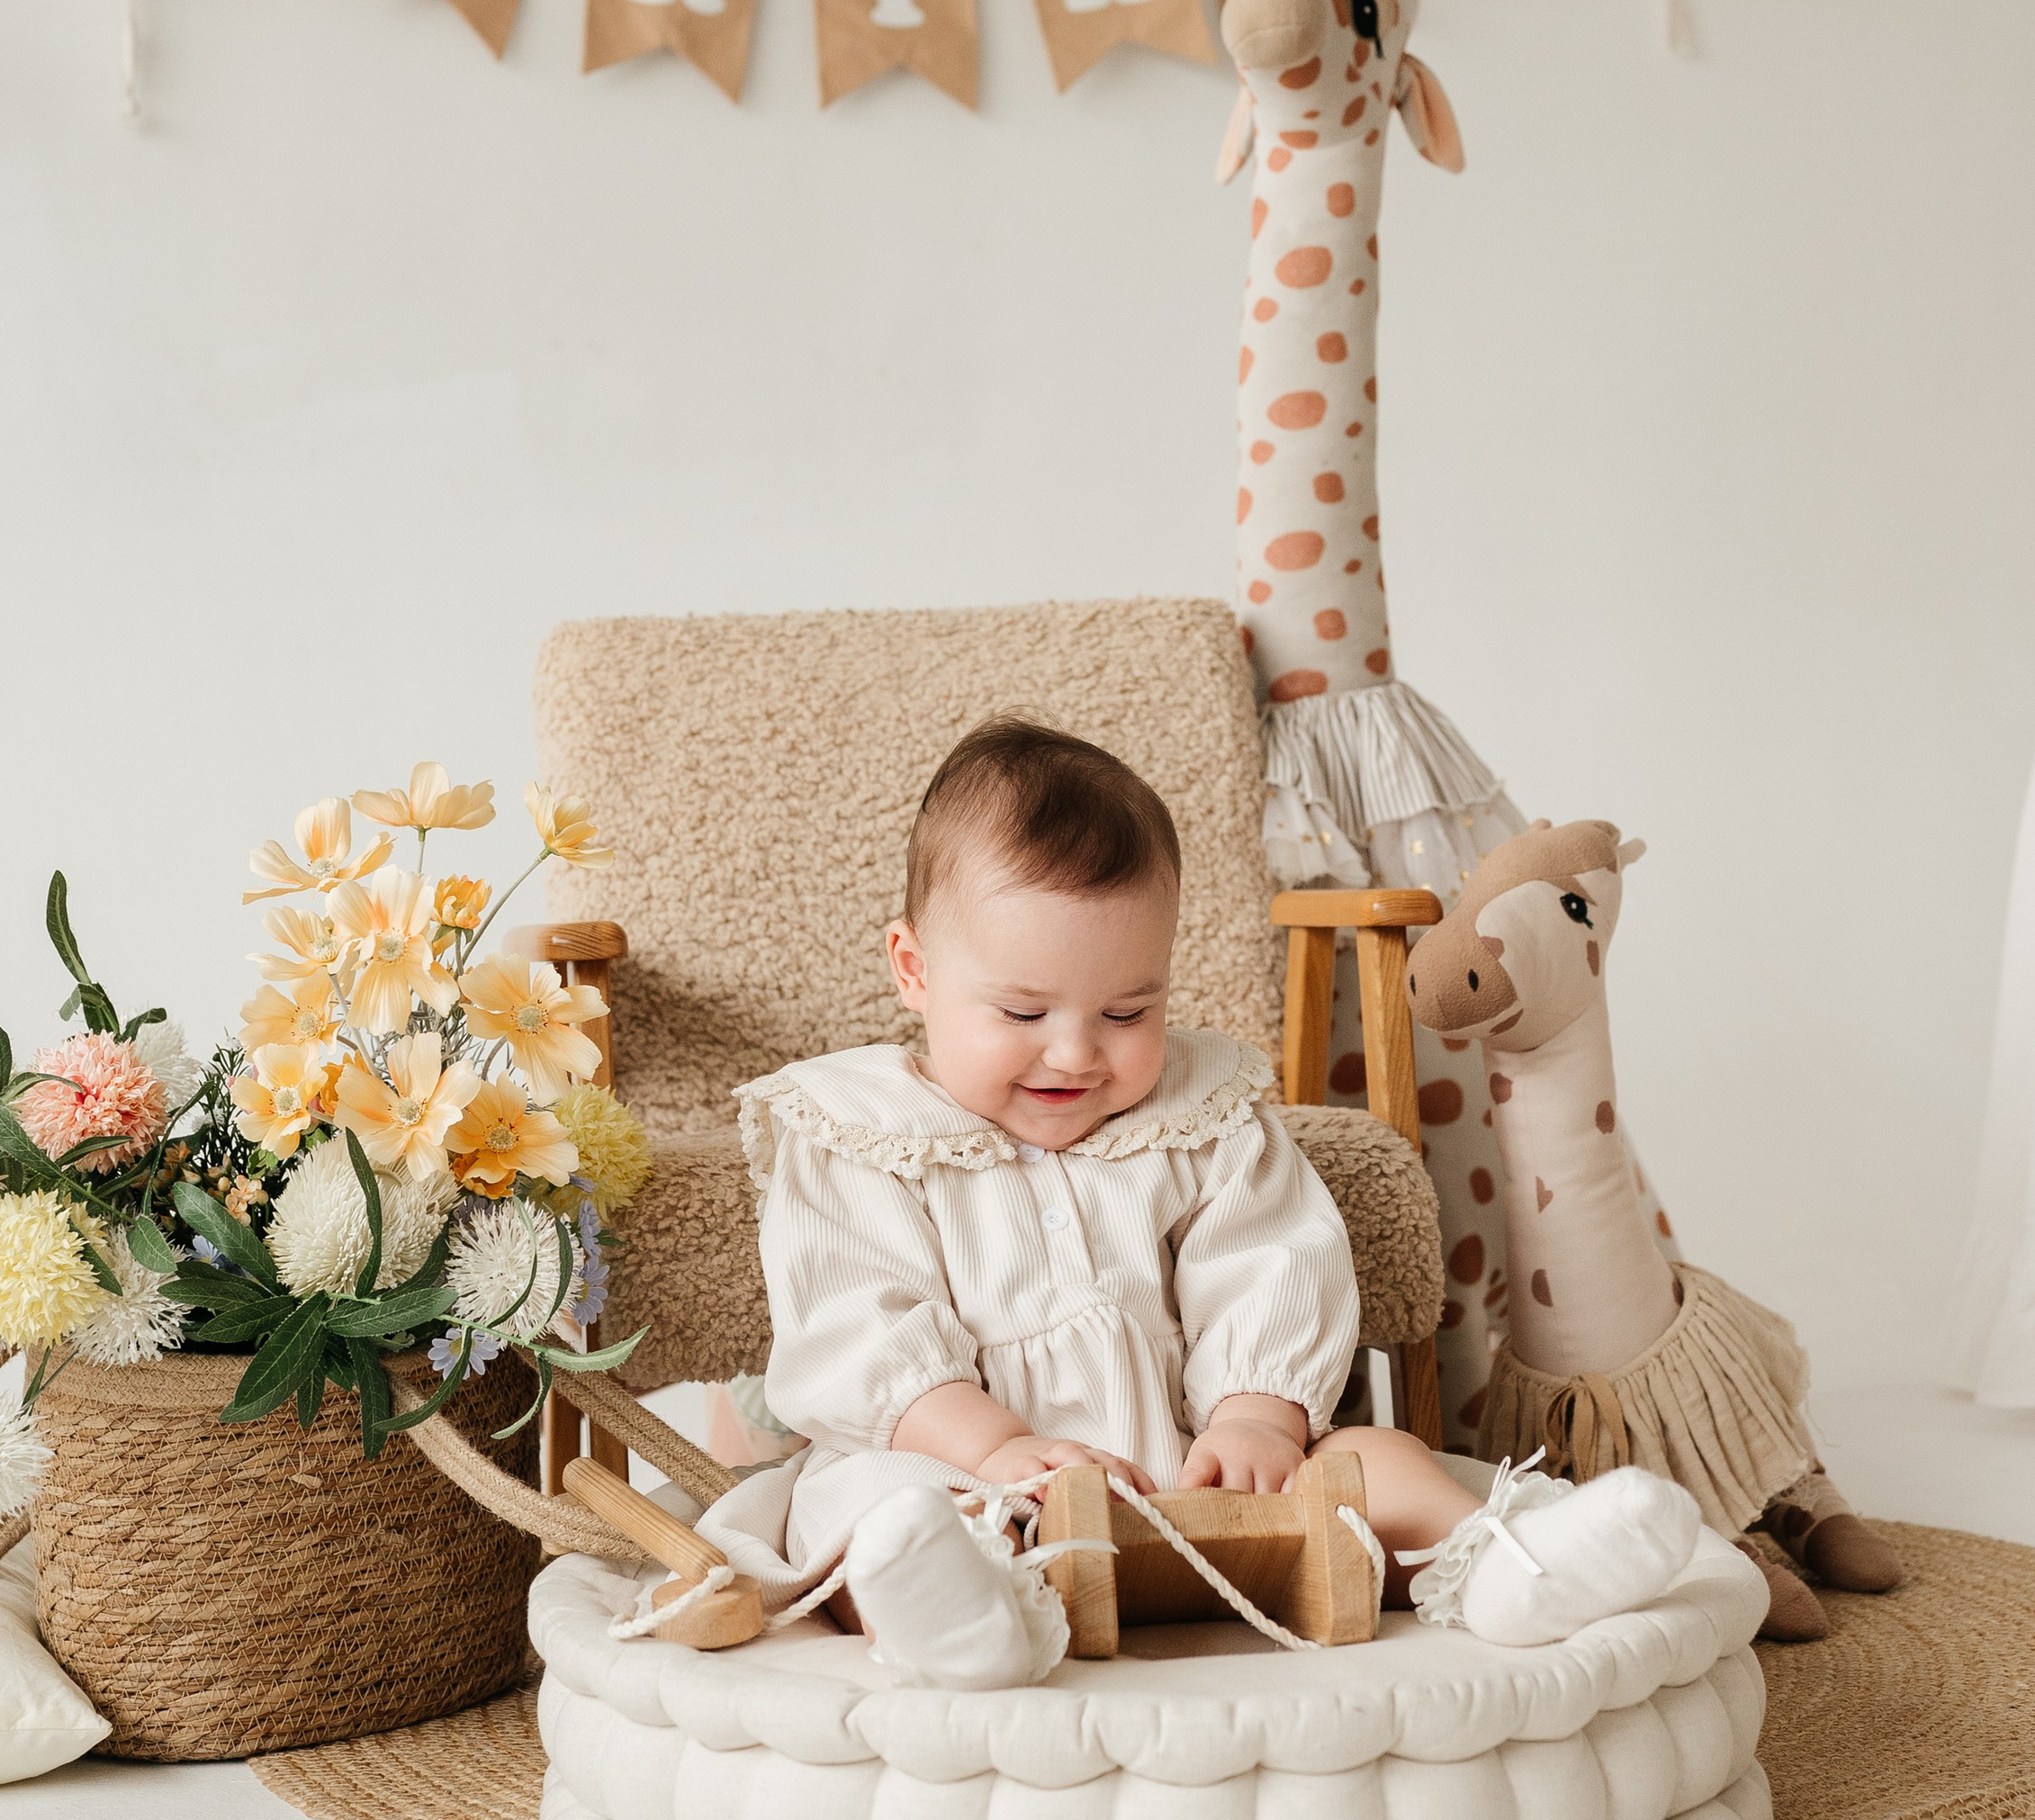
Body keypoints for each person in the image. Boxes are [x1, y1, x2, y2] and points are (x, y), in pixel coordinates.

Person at [693, 720, 1703, 1687]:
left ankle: (1505, 1568)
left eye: (1128, 1009)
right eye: (1021, 1011)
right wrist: (989, 1447)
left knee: (1370, 1460)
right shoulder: (856, 1132)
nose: (1077, 1050)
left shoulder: (1197, 1112)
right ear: (914, 969)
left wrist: (1257, 1417)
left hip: (1196, 1490)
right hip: (982, 1486)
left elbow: (1272, 1259)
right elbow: (855, 1323)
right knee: (880, 1512)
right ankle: (962, 1622)